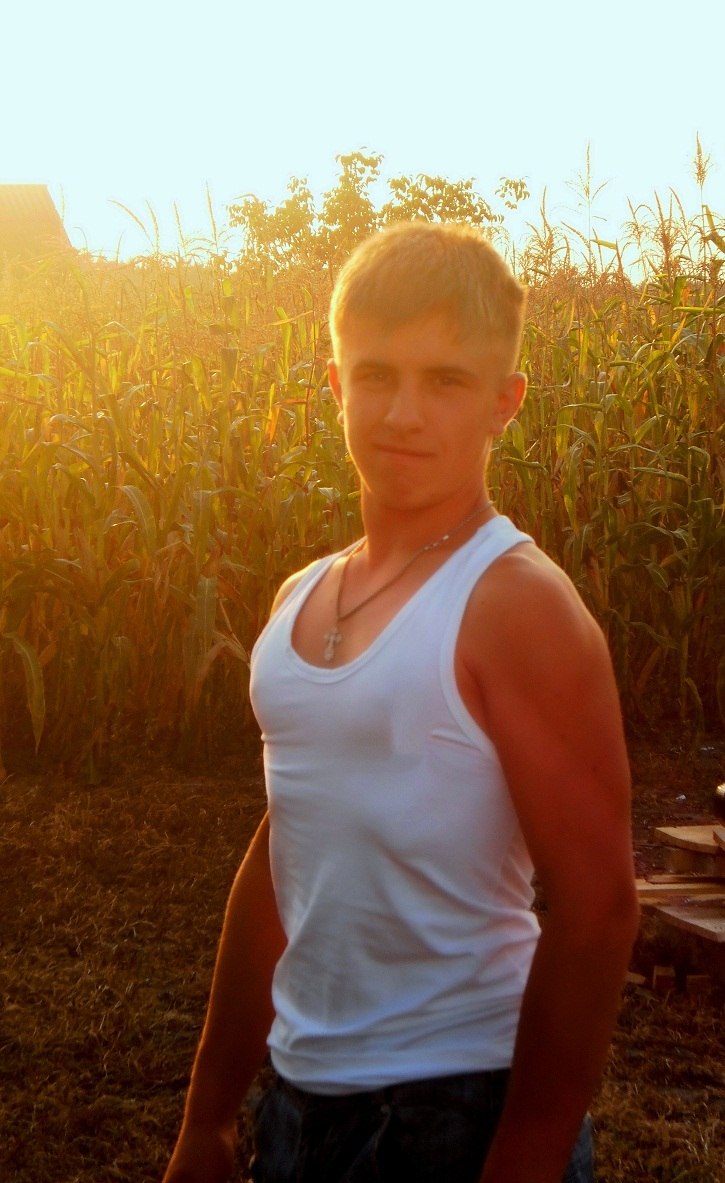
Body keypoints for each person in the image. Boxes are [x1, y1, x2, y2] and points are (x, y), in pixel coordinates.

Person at [162, 222, 640, 1183]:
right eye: (375, 374)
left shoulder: (514, 605)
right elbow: (289, 845)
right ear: (333, 384)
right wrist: (208, 1115)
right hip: (298, 1104)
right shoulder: (300, 596)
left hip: (457, 1107)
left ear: (503, 403)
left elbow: (597, 909)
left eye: (445, 380)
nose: (403, 413)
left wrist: (524, 1158)